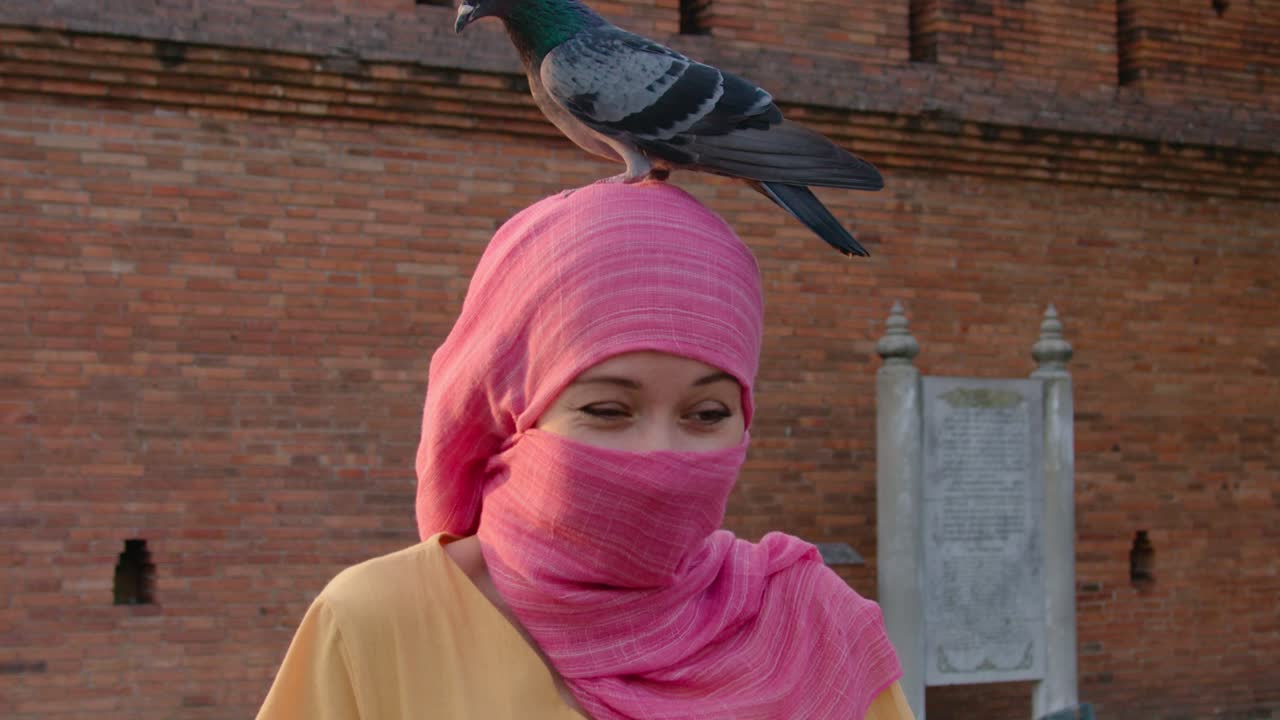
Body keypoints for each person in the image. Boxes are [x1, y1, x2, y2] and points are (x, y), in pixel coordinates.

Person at [256, 181, 912, 719]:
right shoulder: (377, 625)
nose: (659, 456)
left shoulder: (812, 624)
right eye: (607, 409)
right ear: (512, 408)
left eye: (706, 413)